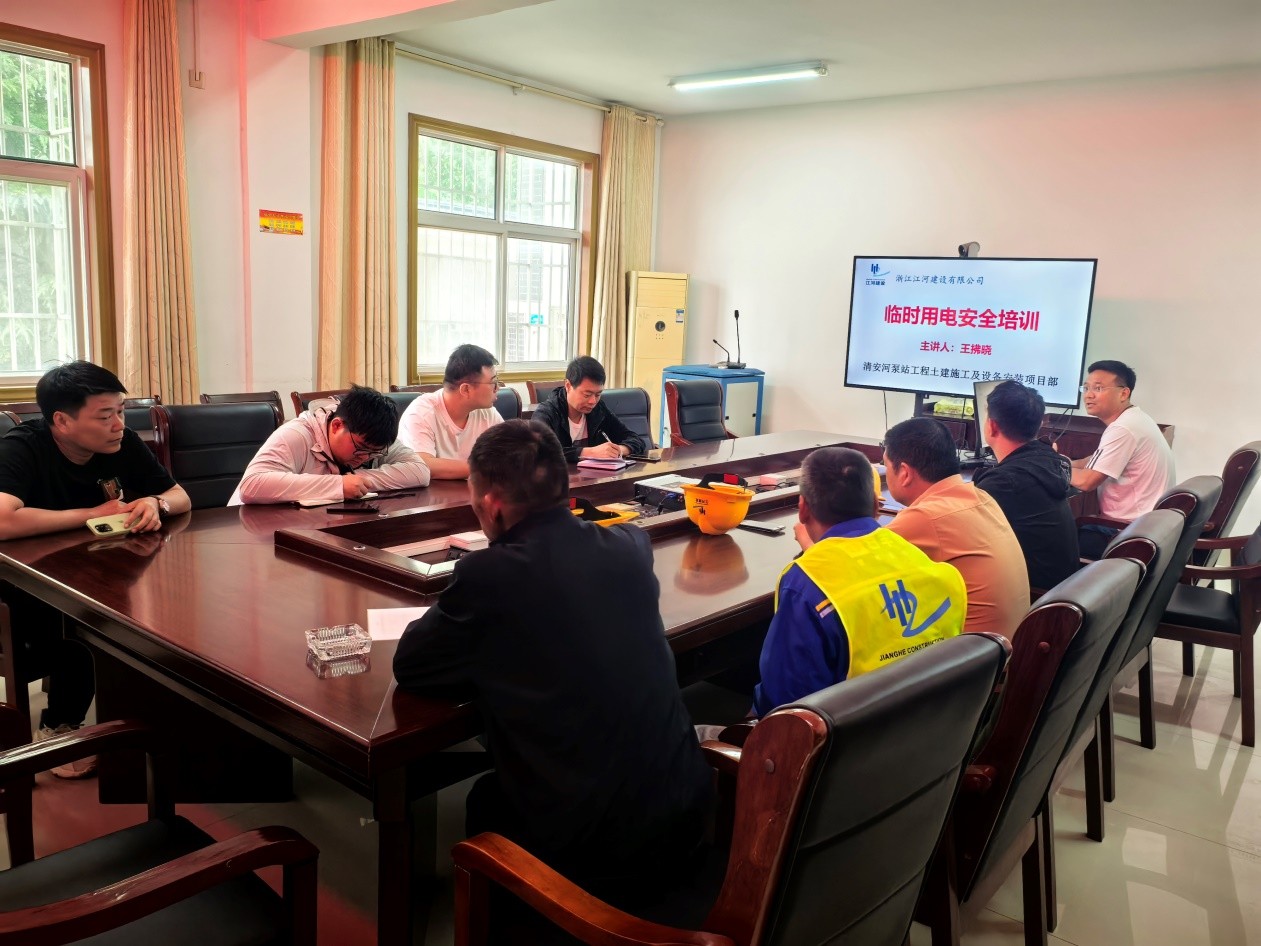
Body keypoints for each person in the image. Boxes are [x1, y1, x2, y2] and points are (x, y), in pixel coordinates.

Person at [393, 421, 712, 900]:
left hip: (593, 851)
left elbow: (412, 666)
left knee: (486, 799)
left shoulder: (489, 574)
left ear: (491, 505)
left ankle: (515, 921)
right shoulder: (630, 546)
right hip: (687, 813)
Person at [0, 360, 192, 777]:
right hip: (22, 582)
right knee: (84, 621)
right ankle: (58, 728)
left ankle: (147, 721)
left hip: (99, 568)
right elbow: (3, 520)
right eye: (105, 416)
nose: (119, 425)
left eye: (121, 411)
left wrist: (155, 503)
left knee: (153, 609)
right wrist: (92, 513)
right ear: (62, 421)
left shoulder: (122, 443)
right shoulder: (23, 446)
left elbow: (180, 496)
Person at [752, 447, 966, 717]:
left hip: (846, 738)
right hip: (930, 727)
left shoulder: (805, 584)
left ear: (803, 509)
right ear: (877, 506)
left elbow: (786, 705)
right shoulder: (933, 568)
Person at [883, 416, 1030, 639]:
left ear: (904, 472)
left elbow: (851, 566)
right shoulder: (981, 497)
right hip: (1005, 648)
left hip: (969, 656)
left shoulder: (925, 517)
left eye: (885, 465)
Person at [230, 384, 430, 504]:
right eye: (360, 449)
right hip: (248, 531)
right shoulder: (297, 434)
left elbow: (420, 471)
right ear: (336, 426)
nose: (365, 458)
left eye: (373, 454)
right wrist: (338, 485)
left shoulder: (375, 438)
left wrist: (358, 480)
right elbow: (251, 486)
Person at [972, 380, 1080, 590]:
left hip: (1032, 598)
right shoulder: (1048, 462)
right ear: (1038, 425)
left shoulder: (1004, 483)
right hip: (1060, 593)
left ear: (992, 426)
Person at [1069, 360, 1176, 559]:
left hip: (1128, 533)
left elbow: (1086, 482)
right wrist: (1064, 462)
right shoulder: (1134, 418)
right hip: (1147, 526)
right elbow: (1095, 460)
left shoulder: (1123, 429)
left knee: (1057, 541)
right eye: (1086, 387)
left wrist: (1050, 467)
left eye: (1098, 388)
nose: (1088, 395)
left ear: (1124, 393)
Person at [396, 345, 503, 479]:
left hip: (472, 490)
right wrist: (484, 468)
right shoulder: (421, 412)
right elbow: (422, 465)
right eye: (493, 383)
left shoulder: (487, 412)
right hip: (429, 492)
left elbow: (509, 453)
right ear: (466, 390)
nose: (498, 388)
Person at [529, 356, 650, 462]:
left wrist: (618, 450)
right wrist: (590, 453)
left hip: (594, 479)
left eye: (598, 394)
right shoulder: (547, 413)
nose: (593, 401)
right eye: (587, 395)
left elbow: (635, 439)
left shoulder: (599, 410)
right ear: (568, 386)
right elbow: (539, 452)